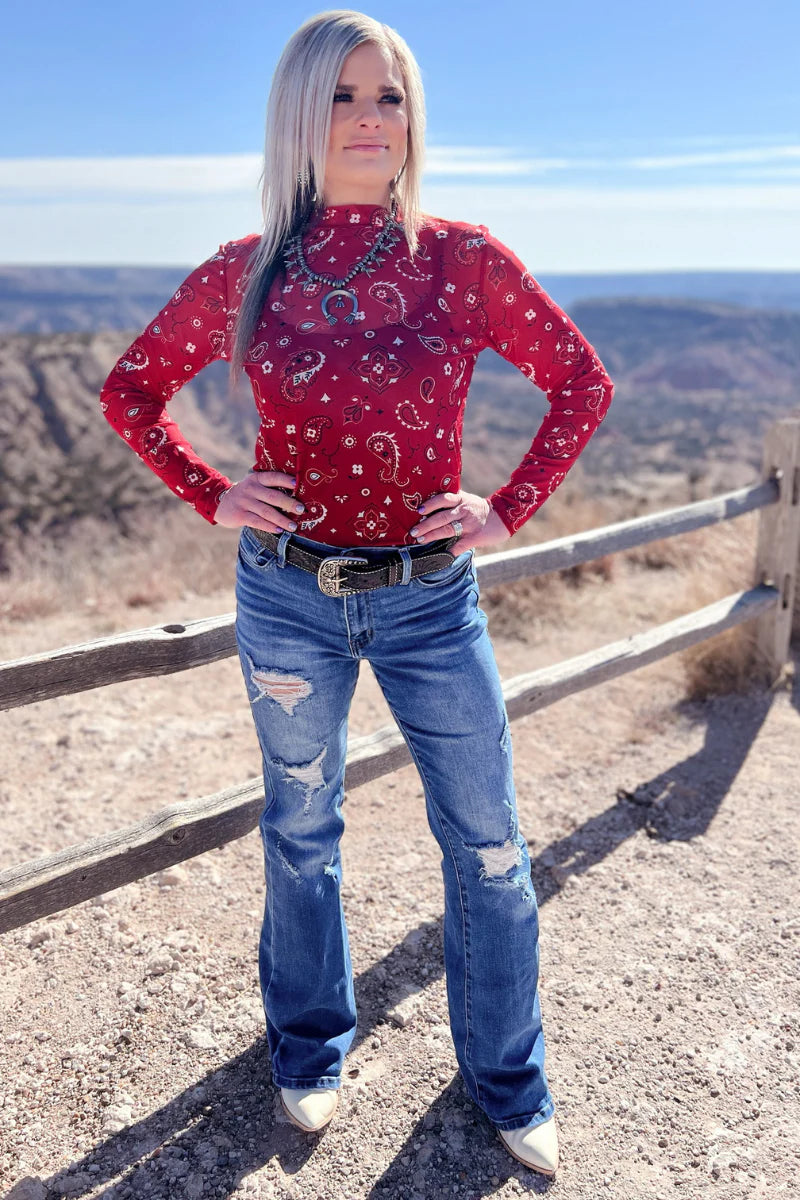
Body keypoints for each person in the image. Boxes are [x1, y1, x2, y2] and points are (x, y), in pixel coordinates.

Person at [99, 9, 614, 1178]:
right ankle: (310, 1045)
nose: (370, 119)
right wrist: (209, 489)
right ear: (299, 114)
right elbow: (130, 388)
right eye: (342, 96)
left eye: (387, 97)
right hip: (287, 597)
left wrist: (505, 509)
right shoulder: (247, 270)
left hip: (432, 597)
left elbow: (581, 381)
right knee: (301, 832)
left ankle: (506, 1077)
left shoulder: (461, 258)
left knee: (485, 843)